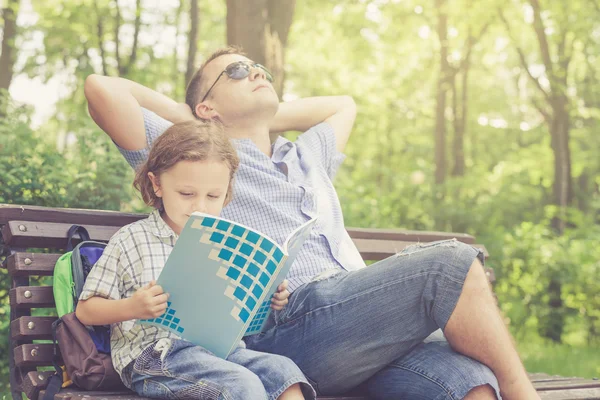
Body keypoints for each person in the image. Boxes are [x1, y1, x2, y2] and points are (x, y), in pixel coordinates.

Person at [84, 46, 540, 400]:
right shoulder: (200, 162)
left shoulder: (307, 156)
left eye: (259, 67)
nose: (257, 73)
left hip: (354, 326)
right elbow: (102, 90)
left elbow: (344, 105)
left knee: (472, 383)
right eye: (238, 72)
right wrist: (199, 121)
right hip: (285, 326)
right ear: (207, 107)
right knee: (450, 265)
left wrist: (253, 110)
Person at [75, 120, 315, 400]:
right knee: (241, 385)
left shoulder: (230, 243)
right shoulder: (132, 240)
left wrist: (268, 299)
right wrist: (133, 306)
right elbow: (86, 310)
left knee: (284, 373)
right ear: (157, 184)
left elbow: (241, 317)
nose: (200, 206)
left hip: (222, 352)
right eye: (187, 194)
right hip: (157, 357)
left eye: (213, 196)